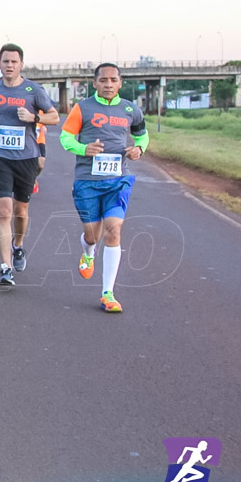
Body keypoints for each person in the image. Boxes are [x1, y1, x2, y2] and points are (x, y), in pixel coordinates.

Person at [60, 62, 147, 313]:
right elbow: (66, 137)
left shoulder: (130, 109)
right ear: (95, 83)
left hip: (118, 180)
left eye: (113, 80)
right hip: (87, 180)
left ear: (120, 83)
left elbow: (142, 135)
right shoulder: (83, 108)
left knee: (114, 231)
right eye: (103, 80)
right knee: (92, 235)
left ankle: (108, 292)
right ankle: (88, 252)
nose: (108, 85)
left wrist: (138, 149)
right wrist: (82, 148)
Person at [0, 44, 60, 286]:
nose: (9, 65)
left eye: (14, 62)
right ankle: (6, 268)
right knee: (4, 210)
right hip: (0, 157)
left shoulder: (34, 90)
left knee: (21, 211)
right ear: (0, 64)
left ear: (21, 64)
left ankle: (18, 245)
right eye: (5, 61)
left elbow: (54, 116)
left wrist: (35, 117)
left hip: (26, 157)